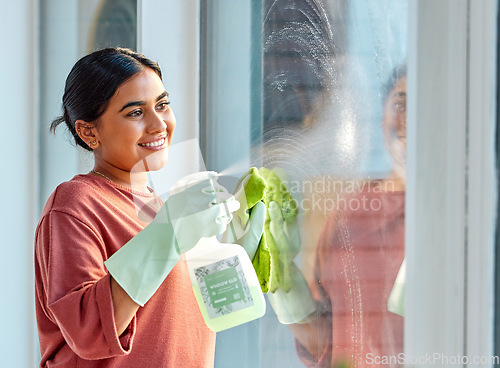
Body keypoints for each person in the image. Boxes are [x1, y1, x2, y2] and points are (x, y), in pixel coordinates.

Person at [34, 47, 264, 367]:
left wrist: (235, 259)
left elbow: (191, 322)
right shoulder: (76, 203)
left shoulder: (164, 208)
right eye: (135, 112)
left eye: (162, 105)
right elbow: (89, 331)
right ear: (89, 132)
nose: (159, 125)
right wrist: (168, 233)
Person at [268, 66, 407, 368]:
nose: (408, 119)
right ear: (382, 116)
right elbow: (325, 344)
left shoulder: (456, 221)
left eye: (424, 104)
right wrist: (286, 288)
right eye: (400, 103)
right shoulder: (352, 209)